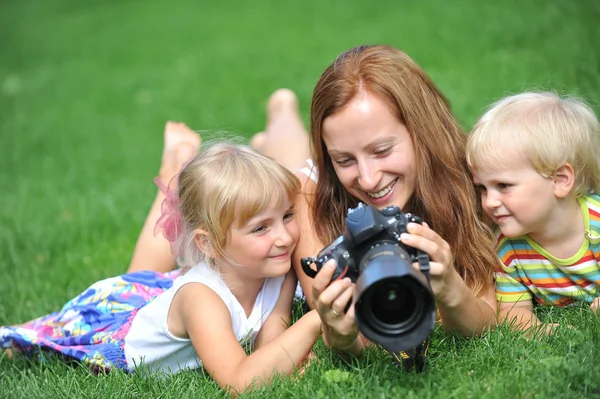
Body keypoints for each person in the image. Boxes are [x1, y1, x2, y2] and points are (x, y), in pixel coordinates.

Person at [0, 139, 322, 396]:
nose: (284, 237)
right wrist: (316, 319)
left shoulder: (276, 268)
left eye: (287, 216)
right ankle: (172, 166)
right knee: (29, 342)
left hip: (159, 293)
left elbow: (270, 336)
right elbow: (240, 382)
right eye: (261, 228)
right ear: (209, 243)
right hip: (114, 330)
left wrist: (283, 357)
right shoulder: (202, 299)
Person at [265, 44, 500, 369]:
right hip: (310, 179)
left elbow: (486, 314)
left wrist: (452, 290)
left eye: (382, 150)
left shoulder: (461, 178)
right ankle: (281, 111)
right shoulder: (310, 196)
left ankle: (283, 114)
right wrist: (341, 335)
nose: (369, 178)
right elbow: (355, 337)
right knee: (284, 164)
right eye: (344, 159)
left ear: (422, 131)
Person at [466, 91, 600, 332]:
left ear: (559, 180)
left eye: (503, 186)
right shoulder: (507, 247)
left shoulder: (596, 221)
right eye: (483, 188)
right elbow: (513, 311)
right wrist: (537, 330)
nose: (489, 202)